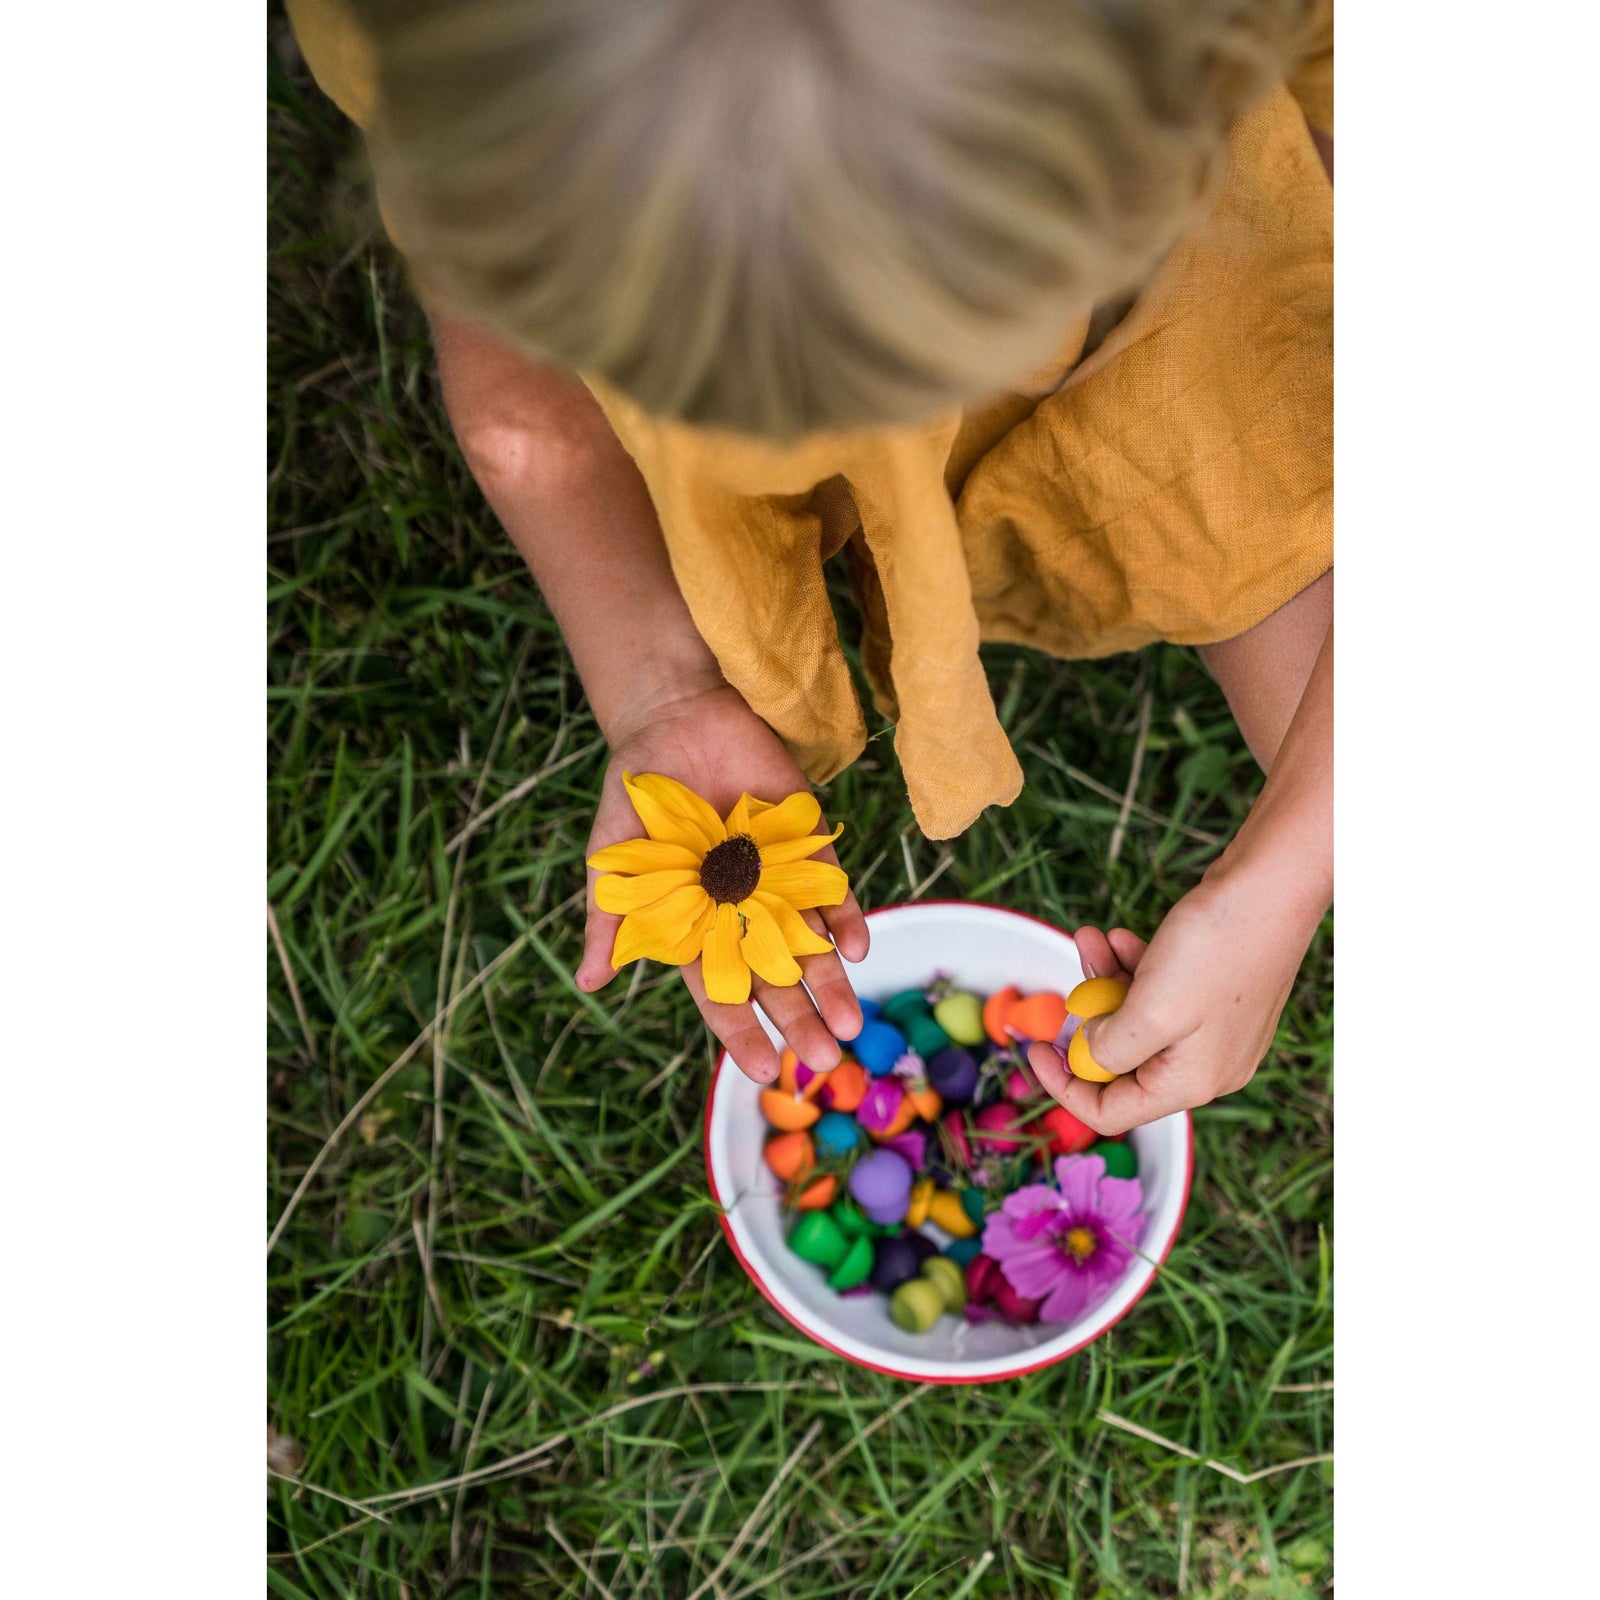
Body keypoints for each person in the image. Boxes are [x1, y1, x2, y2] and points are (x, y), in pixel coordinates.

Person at [283, 0, 1333, 1134]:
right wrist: (658, 680)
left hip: (1178, 314)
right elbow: (524, 417)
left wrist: (1283, 877)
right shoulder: (481, 86)